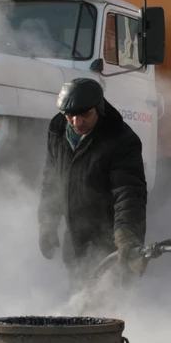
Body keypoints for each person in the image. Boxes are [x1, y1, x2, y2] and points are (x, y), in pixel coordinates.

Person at [38, 77, 148, 289]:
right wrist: (47, 222)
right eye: (70, 116)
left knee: (110, 307)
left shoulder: (121, 140)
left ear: (99, 108)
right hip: (75, 242)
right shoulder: (58, 132)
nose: (77, 123)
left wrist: (127, 233)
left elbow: (129, 191)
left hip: (111, 244)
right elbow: (51, 181)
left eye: (85, 115)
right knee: (78, 304)